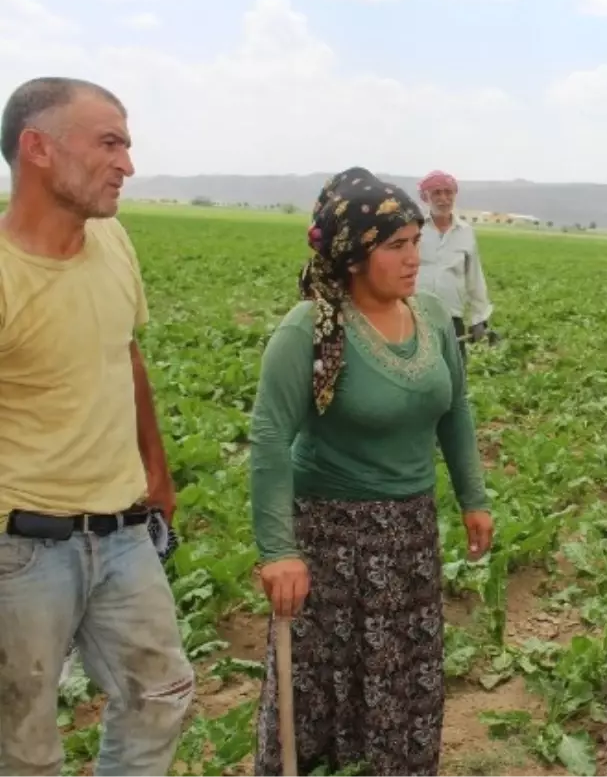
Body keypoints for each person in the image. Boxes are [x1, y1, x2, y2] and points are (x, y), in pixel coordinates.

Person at [249, 167, 494, 777]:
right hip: (329, 542)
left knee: (403, 680)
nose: (414, 258)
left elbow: (455, 410)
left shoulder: (433, 317)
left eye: (416, 241)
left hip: (409, 536)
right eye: (396, 246)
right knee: (319, 687)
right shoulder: (309, 330)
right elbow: (270, 440)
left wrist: (472, 495)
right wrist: (278, 549)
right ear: (354, 256)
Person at [0, 77, 192, 776]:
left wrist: (157, 472)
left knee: (161, 694)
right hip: (21, 547)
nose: (127, 164)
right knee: (23, 744)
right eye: (109, 142)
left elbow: (125, 353)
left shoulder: (113, 242)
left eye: (128, 144)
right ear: (38, 149)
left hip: (123, 532)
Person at [416, 169, 496, 357]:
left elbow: (474, 278)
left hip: (451, 319)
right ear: (425, 197)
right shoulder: (414, 228)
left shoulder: (465, 232)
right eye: (436, 193)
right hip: (414, 316)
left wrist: (479, 318)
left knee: (454, 376)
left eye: (448, 192)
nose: (443, 198)